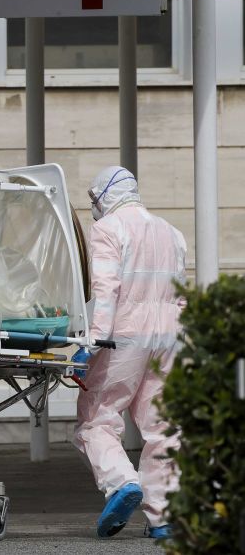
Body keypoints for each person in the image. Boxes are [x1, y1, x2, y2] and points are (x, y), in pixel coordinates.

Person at [72, 166, 187, 540]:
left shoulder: (108, 230)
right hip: (166, 339)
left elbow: (106, 291)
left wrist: (91, 344)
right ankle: (164, 518)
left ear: (105, 195)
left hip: (123, 338)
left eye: (94, 199)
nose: (93, 207)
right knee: (163, 426)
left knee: (97, 418)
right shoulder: (173, 234)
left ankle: (122, 483)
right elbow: (181, 297)